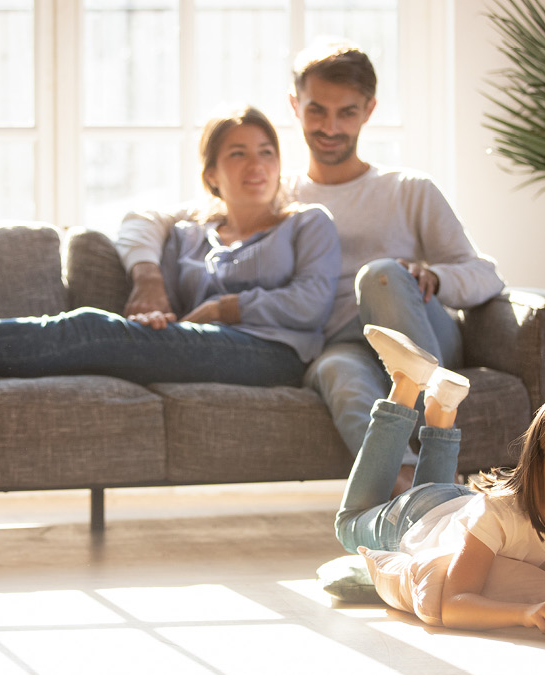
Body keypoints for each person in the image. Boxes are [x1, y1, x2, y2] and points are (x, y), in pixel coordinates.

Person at [116, 41, 505, 494]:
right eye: (317, 110)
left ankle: (437, 422)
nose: (330, 127)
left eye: (347, 112)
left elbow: (485, 275)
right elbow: (147, 218)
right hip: (346, 345)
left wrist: (434, 276)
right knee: (335, 371)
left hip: (418, 331)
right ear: (294, 106)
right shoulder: (279, 195)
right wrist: (147, 277)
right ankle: (416, 496)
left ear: (369, 110)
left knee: (378, 275)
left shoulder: (408, 190)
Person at [0, 106, 340, 388]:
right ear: (211, 174)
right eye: (239, 154)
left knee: (89, 328)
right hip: (199, 346)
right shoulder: (186, 236)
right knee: (74, 354)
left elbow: (311, 303)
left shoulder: (307, 224)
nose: (257, 165)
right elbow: (142, 231)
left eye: (268, 152)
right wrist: (156, 302)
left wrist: (227, 307)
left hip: (272, 355)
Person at [338, 323, 545, 633]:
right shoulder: (500, 515)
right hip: (412, 518)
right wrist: (523, 613)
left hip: (453, 504)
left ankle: (443, 406)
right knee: (348, 524)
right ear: (538, 463)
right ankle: (406, 385)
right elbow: (453, 605)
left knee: (431, 495)